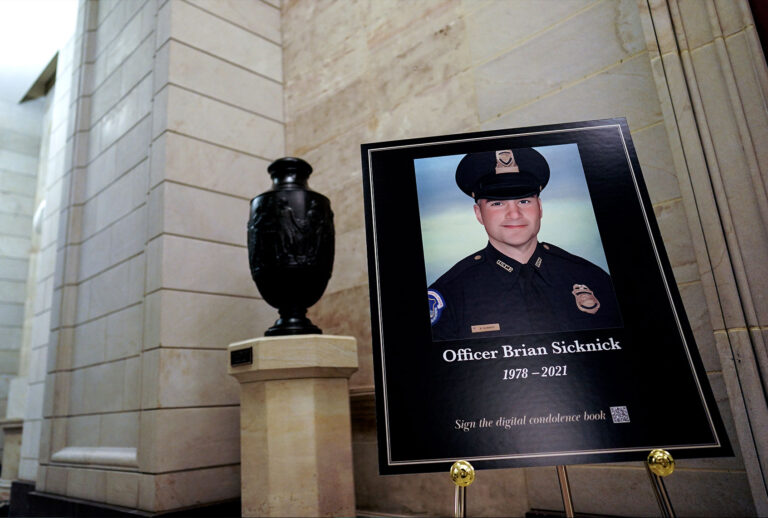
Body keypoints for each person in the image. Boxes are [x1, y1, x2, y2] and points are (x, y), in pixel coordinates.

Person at [427, 147, 621, 340]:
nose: (514, 214)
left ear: (540, 208)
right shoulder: (450, 294)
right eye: (497, 203)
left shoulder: (593, 278)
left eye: (524, 201)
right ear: (478, 214)